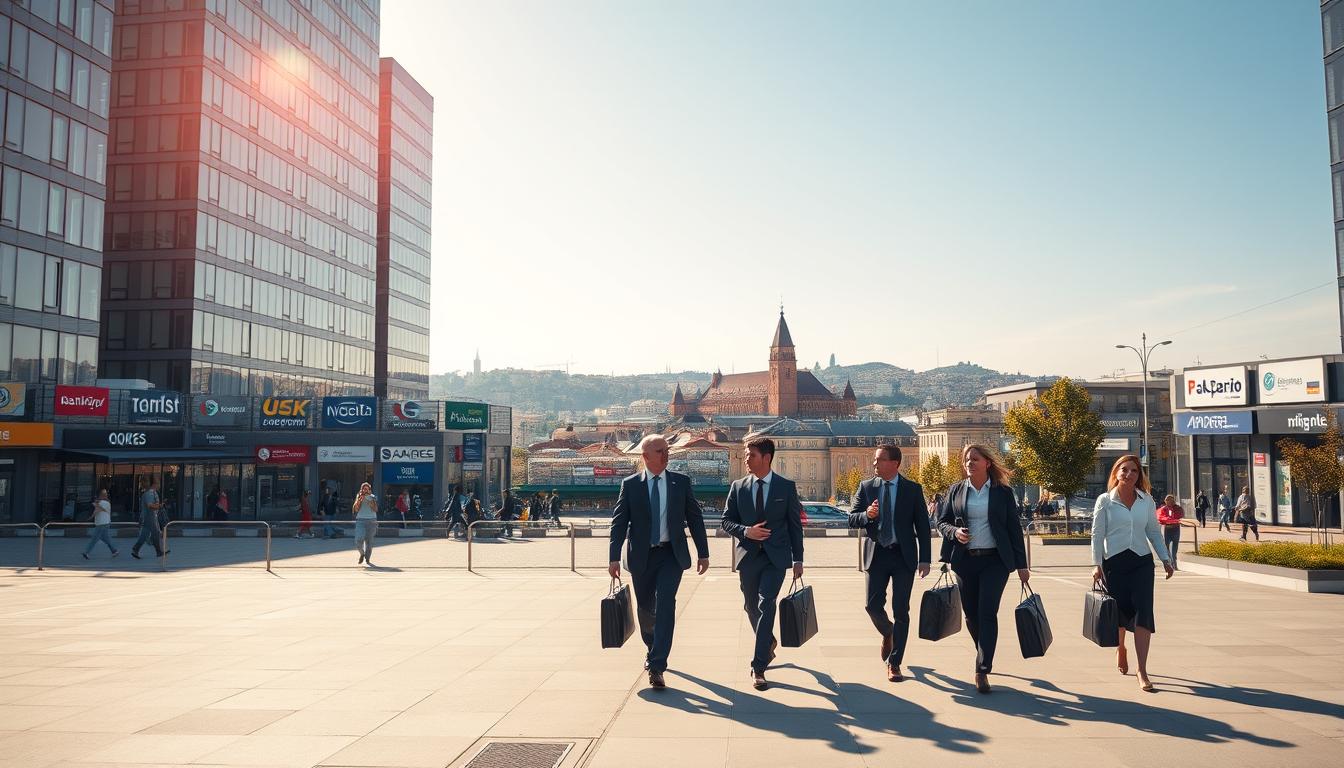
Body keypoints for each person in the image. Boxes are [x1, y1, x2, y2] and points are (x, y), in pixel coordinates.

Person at [608, 434, 711, 690]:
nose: (666, 454)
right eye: (660, 451)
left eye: (667, 450)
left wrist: (703, 552)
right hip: (642, 556)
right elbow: (619, 522)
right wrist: (613, 557)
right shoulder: (631, 485)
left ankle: (657, 665)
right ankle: (652, 645)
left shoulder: (680, 482)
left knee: (665, 604)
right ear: (645, 456)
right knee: (645, 608)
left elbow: (695, 518)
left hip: (670, 555)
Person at [936, 444, 1029, 694]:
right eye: (967, 459)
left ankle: (982, 668)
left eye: (975, 459)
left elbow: (1013, 529)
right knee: (971, 614)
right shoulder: (956, 490)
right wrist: (954, 532)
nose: (969, 463)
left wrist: (1022, 565)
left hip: (995, 561)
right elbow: (941, 522)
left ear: (987, 463)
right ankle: (983, 648)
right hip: (965, 561)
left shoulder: (1002, 492)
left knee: (987, 612)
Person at [721, 437, 804, 691]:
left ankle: (758, 667)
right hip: (748, 557)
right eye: (746, 454)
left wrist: (798, 559)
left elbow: (795, 526)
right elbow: (726, 521)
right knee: (751, 607)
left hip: (775, 558)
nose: (746, 458)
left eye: (751, 455)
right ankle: (767, 641)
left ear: (767, 458)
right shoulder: (738, 487)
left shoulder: (785, 487)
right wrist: (746, 531)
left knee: (766, 604)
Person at [1091, 455, 1175, 693]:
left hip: (1141, 563)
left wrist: (1165, 559)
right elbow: (1097, 534)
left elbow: (1153, 532)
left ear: (1139, 475)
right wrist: (1096, 564)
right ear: (1116, 472)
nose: (1129, 474)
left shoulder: (1146, 500)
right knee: (1119, 614)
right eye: (1124, 470)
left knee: (1143, 615)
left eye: (1134, 471)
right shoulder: (1105, 500)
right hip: (1114, 563)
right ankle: (1121, 647)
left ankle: (1142, 670)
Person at [848, 443, 931, 683]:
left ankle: (895, 663)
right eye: (875, 459)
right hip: (877, 555)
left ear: (895, 463)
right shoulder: (866, 487)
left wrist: (925, 559)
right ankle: (888, 632)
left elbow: (923, 527)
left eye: (880, 459)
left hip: (903, 556)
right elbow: (852, 519)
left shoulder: (912, 490)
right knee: (872, 606)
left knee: (901, 609)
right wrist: (867, 515)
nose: (875, 463)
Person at [131, 477, 167, 559]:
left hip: (148, 516)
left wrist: (159, 505)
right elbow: (150, 505)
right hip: (149, 516)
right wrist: (159, 506)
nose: (159, 485)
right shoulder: (150, 493)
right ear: (154, 484)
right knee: (155, 533)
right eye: (158, 483)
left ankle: (136, 549)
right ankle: (159, 551)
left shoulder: (151, 493)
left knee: (145, 534)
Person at [83, 489, 118, 559]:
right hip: (103, 523)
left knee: (94, 538)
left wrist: (91, 516)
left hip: (102, 523)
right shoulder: (103, 502)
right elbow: (96, 509)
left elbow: (97, 510)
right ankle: (114, 551)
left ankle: (86, 552)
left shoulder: (104, 503)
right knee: (105, 538)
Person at [1155, 494, 1184, 570]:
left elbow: (1181, 514)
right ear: (1165, 501)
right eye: (1167, 500)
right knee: (1166, 546)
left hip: (1176, 529)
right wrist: (1167, 519)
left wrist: (1174, 511)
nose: (1169, 502)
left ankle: (1174, 562)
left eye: (1171, 500)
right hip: (1167, 529)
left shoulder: (1177, 508)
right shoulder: (1164, 509)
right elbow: (1160, 516)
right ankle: (1171, 562)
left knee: (1175, 547)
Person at [352, 482, 378, 565]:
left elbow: (375, 509)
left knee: (369, 542)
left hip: (372, 520)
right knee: (358, 539)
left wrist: (369, 500)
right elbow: (356, 509)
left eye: (367, 489)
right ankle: (362, 553)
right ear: (361, 489)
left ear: (369, 490)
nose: (365, 490)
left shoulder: (373, 497)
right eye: (364, 489)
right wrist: (360, 500)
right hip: (360, 520)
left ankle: (367, 559)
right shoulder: (359, 496)